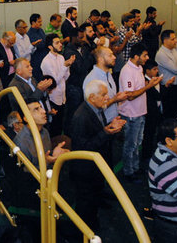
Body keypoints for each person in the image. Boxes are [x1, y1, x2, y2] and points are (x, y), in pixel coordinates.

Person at [70, 80, 126, 231]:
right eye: (103, 95)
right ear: (92, 97)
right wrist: (106, 132)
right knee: (86, 205)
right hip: (85, 170)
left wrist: (110, 125)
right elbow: (83, 148)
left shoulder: (95, 109)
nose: (107, 98)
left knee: (93, 198)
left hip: (94, 168)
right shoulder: (81, 117)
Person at [118, 43, 163, 182]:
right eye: (145, 55)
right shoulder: (127, 71)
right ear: (136, 56)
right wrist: (149, 86)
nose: (147, 58)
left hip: (140, 112)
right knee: (130, 145)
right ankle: (128, 172)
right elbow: (130, 95)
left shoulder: (139, 68)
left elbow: (139, 88)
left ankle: (135, 167)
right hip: (131, 114)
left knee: (137, 143)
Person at [13, 101, 68, 169]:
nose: (44, 111)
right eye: (36, 109)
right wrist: (46, 162)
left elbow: (47, 156)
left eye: (41, 107)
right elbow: (25, 172)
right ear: (26, 118)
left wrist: (54, 154)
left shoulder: (44, 131)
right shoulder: (21, 142)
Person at [82, 46, 128, 123]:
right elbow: (93, 108)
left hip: (113, 119)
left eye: (113, 54)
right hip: (102, 124)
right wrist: (114, 99)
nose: (114, 57)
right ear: (100, 59)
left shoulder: (108, 74)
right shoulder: (92, 79)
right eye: (110, 55)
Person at [41, 34, 75, 135]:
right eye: (57, 43)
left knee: (61, 124)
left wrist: (67, 66)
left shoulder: (61, 57)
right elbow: (54, 82)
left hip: (62, 96)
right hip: (53, 98)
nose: (60, 44)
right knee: (54, 127)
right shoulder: (46, 61)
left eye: (60, 42)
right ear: (50, 47)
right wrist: (65, 66)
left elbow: (66, 77)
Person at [28, 13, 48, 81]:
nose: (41, 23)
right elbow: (40, 46)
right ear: (33, 22)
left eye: (41, 21)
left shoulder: (41, 30)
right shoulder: (29, 34)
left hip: (45, 57)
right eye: (39, 22)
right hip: (37, 61)